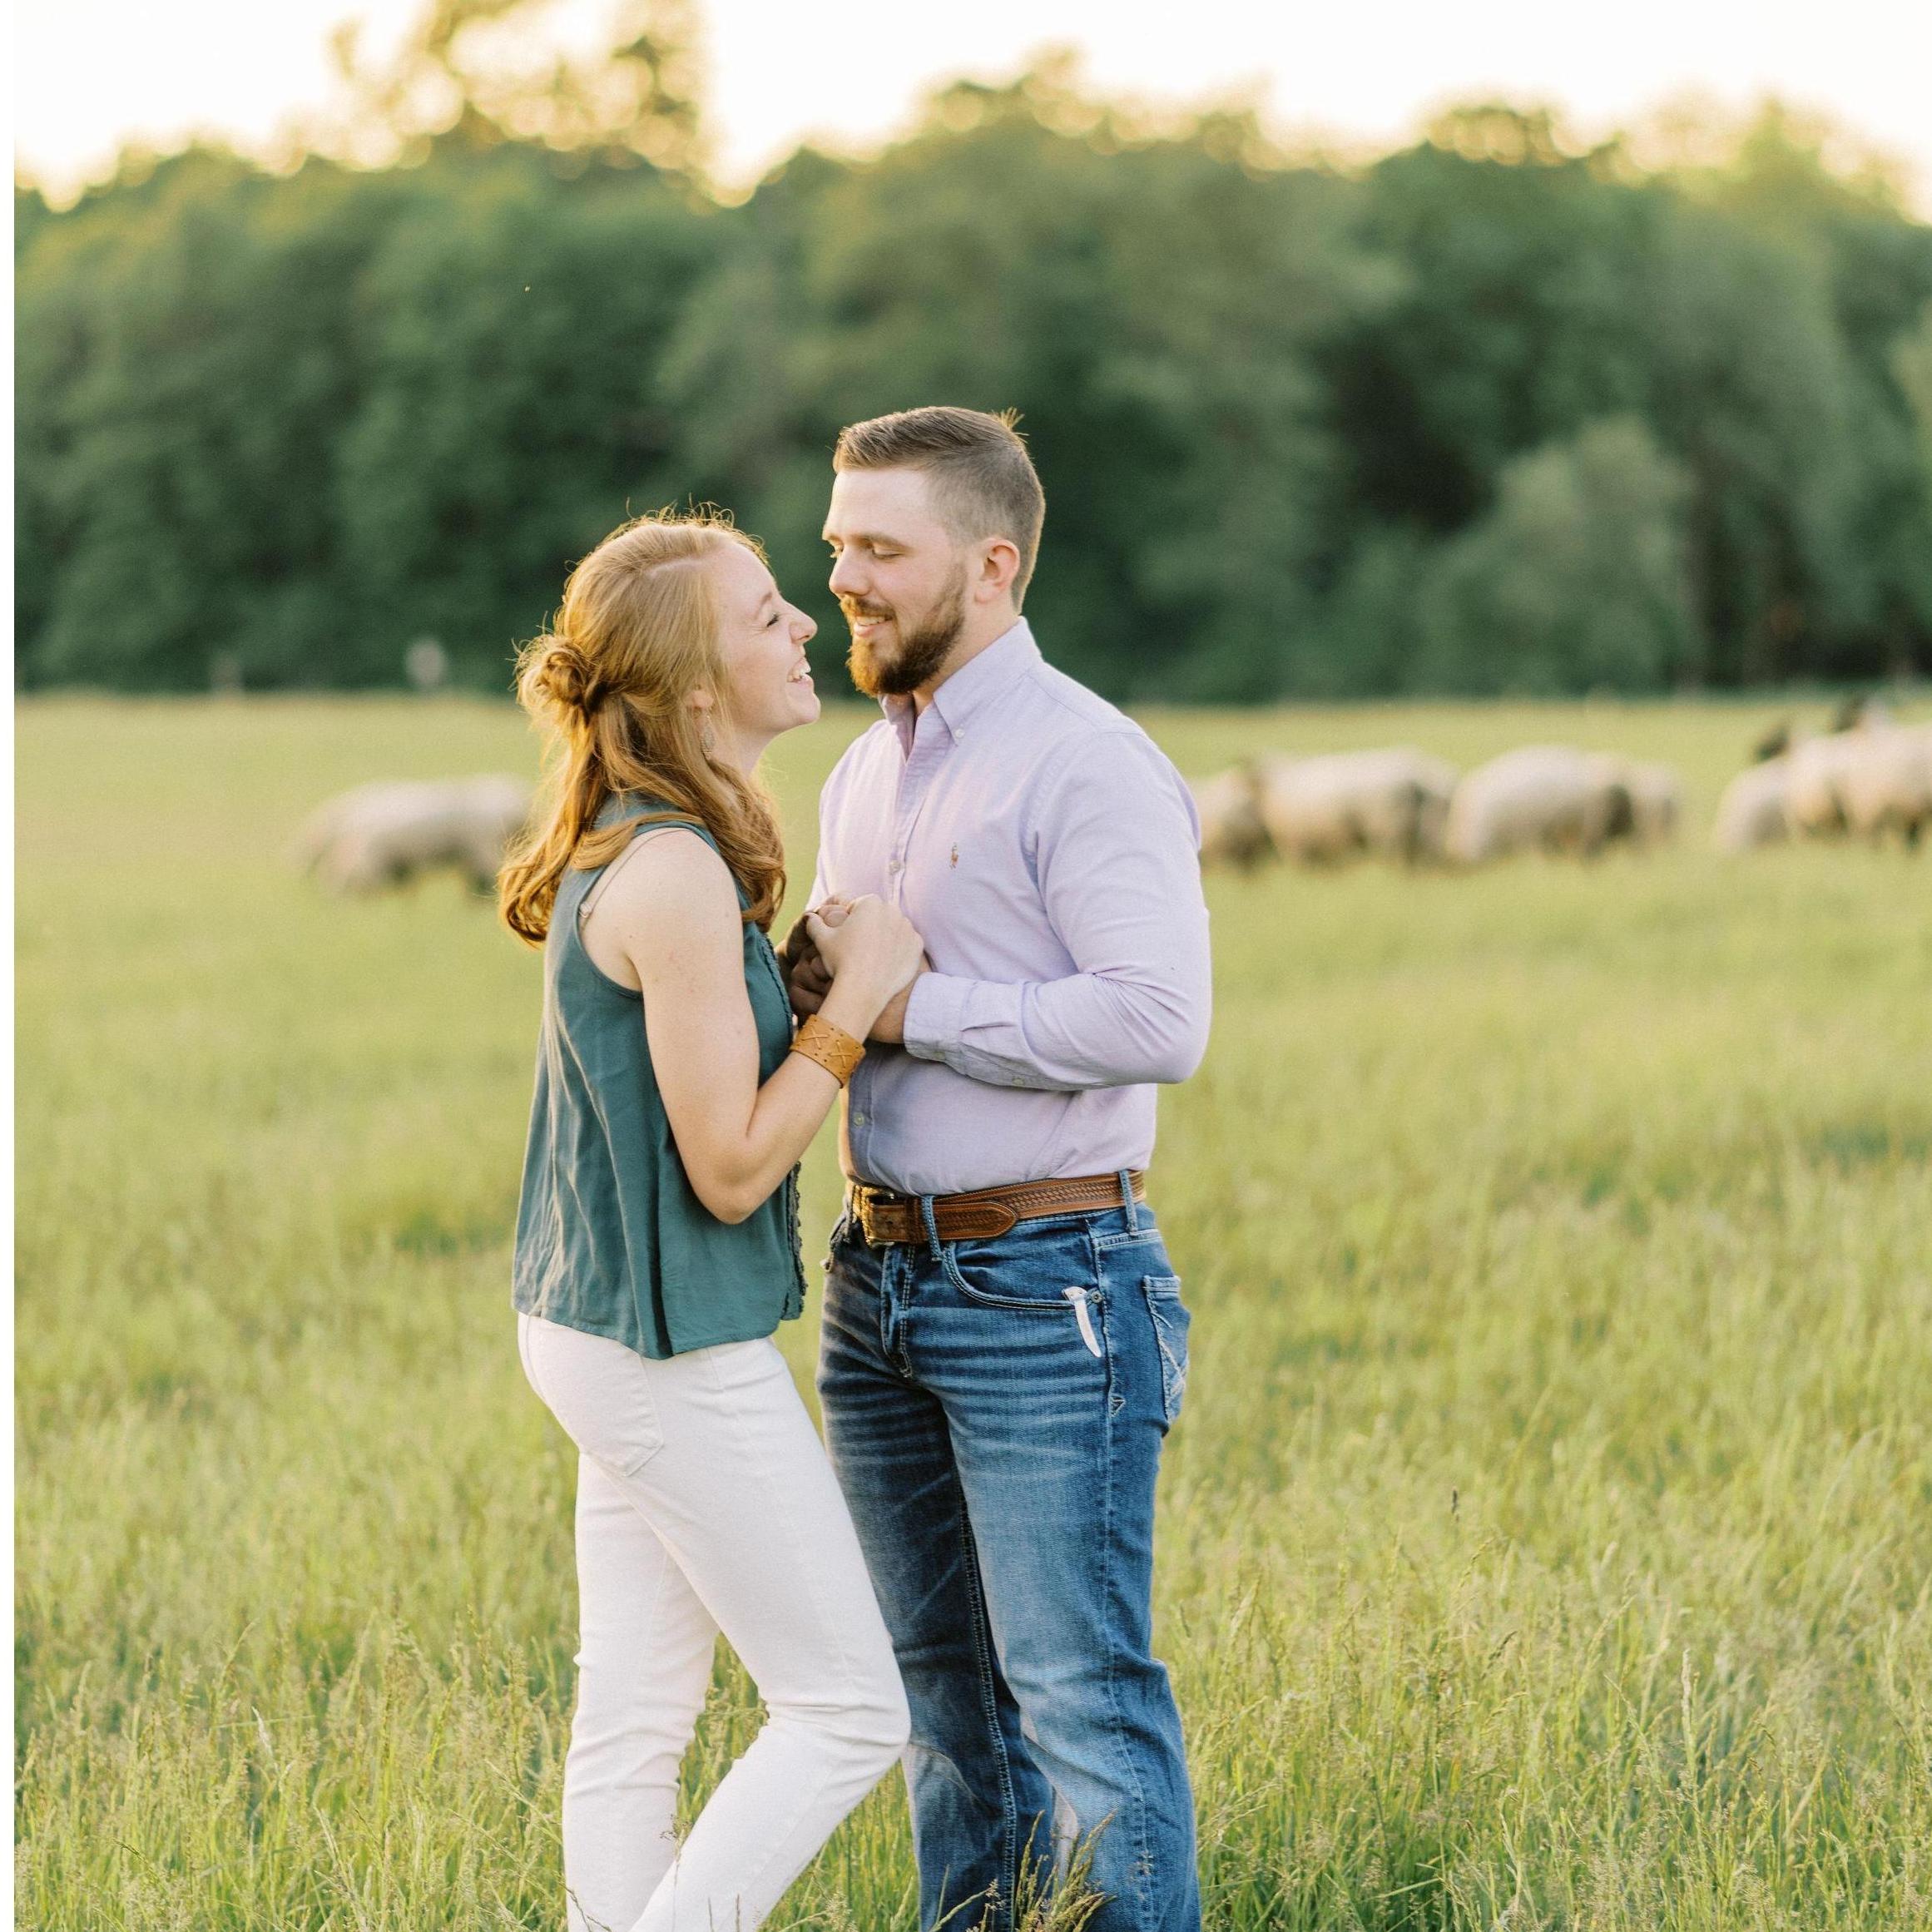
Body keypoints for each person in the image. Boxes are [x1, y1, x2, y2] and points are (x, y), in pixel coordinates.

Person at [783, 407, 1213, 1932]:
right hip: (876, 1278)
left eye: (877, 550)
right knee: (943, 1713)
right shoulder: (859, 778)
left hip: (1046, 1288)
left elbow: (1159, 1016)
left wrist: (907, 1009)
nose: (842, 577)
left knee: (1080, 1700)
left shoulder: (1084, 761)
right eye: (837, 544)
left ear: (991, 561)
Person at [499, 511, 924, 1932]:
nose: (804, 622)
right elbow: (732, 1171)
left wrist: (791, 992)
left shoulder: (656, 848)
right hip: (666, 1345)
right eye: (762, 615)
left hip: (600, 1325)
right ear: (691, 688)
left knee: (632, 1721)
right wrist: (854, 1006)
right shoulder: (673, 872)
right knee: (850, 1707)